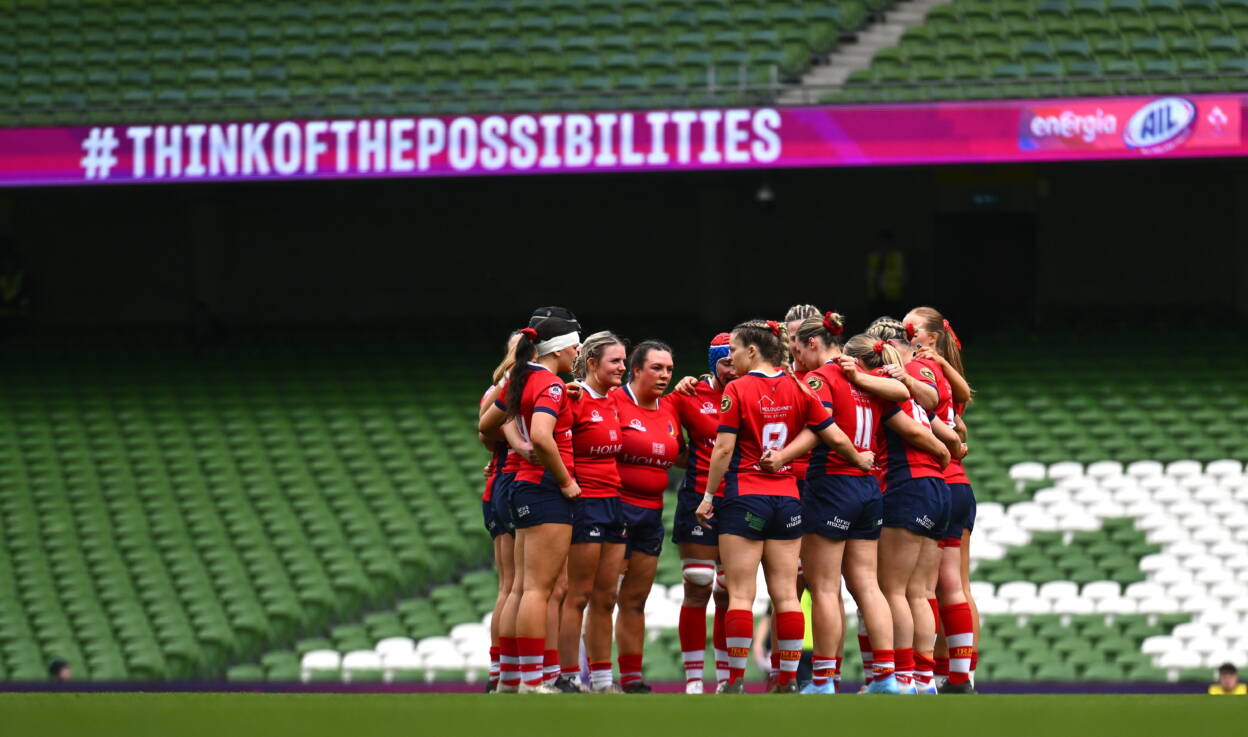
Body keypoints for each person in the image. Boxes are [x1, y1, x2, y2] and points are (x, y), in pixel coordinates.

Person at [694, 319, 874, 693]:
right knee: (787, 595)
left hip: (745, 494)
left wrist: (709, 496)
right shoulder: (799, 386)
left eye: (735, 351)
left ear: (752, 351)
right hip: (789, 497)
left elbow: (724, 449)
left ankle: (735, 681)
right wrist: (859, 459)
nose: (732, 358)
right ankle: (789, 680)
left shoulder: (738, 389)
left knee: (741, 594)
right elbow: (830, 432)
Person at [764, 313, 911, 694]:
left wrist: (781, 457)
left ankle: (824, 679)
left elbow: (820, 429)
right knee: (867, 586)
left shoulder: (823, 379)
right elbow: (903, 402)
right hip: (868, 489)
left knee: (824, 588)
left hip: (832, 485)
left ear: (814, 343)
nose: (796, 356)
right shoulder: (865, 378)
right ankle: (886, 677)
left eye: (798, 347)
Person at [851, 332, 963, 694]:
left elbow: (917, 433)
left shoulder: (884, 393)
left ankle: (901, 677)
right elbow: (954, 440)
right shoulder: (911, 395)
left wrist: (941, 452)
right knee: (920, 591)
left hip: (906, 488)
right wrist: (945, 456)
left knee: (893, 590)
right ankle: (925, 678)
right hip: (937, 489)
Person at [479, 307, 582, 694]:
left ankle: (510, 679)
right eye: (574, 347)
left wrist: (516, 445)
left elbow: (486, 425)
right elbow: (542, 435)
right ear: (559, 349)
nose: (577, 355)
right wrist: (566, 481)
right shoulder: (550, 384)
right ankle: (533, 681)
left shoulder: (519, 378)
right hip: (544, 489)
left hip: (519, 485)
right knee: (538, 589)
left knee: (521, 588)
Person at [904, 307, 979, 694]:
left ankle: (923, 675)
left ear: (929, 336)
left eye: (909, 329)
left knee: (924, 588)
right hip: (959, 484)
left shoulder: (921, 371)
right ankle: (963, 673)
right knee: (958, 586)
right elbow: (963, 406)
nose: (904, 335)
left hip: (934, 479)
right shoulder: (948, 372)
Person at [558, 331, 629, 693]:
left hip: (614, 502)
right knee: (578, 594)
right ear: (591, 364)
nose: (622, 366)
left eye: (623, 360)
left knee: (607, 596)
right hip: (584, 504)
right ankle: (568, 676)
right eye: (615, 361)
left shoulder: (616, 400)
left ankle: (602, 681)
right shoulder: (574, 398)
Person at [666, 332, 737, 693]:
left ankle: (726, 680)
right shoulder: (690, 395)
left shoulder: (754, 391)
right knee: (697, 585)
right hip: (698, 499)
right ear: (713, 363)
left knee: (728, 592)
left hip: (741, 500)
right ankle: (694, 681)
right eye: (726, 362)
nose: (733, 369)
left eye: (737, 361)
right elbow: (665, 439)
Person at [613, 340, 682, 693]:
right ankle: (581, 674)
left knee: (636, 599)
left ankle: (631, 679)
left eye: (669, 369)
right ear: (635, 369)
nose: (665, 375)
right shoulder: (613, 402)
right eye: (657, 368)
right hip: (613, 510)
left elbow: (683, 454)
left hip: (651, 513)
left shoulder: (670, 408)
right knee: (597, 597)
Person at [478, 332, 522, 693]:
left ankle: (502, 672)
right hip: (514, 482)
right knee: (519, 587)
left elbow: (485, 435)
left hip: (499, 482)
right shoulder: (516, 387)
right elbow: (487, 431)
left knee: (510, 587)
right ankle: (511, 673)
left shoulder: (498, 387)